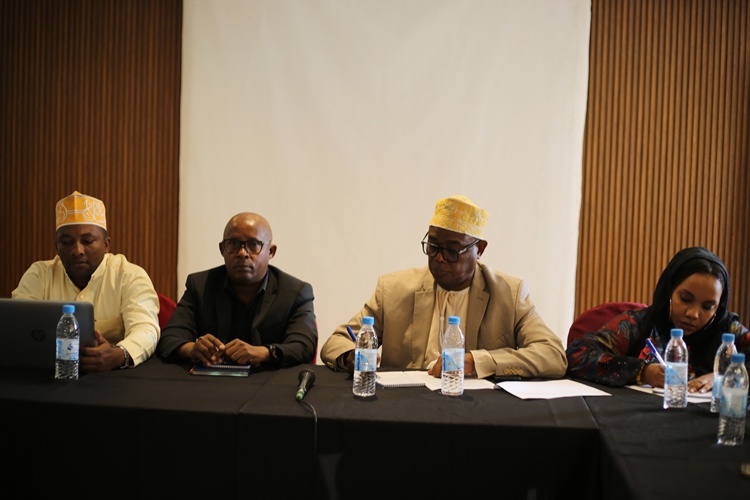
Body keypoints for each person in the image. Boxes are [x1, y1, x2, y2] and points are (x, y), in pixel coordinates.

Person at [320, 195, 568, 379]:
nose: (438, 258)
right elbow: (338, 341)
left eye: (451, 250)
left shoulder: (509, 294)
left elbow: (553, 355)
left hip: (477, 410)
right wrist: (352, 356)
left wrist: (477, 361)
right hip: (404, 406)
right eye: (433, 246)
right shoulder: (393, 289)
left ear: (479, 250)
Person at [12, 191, 160, 371]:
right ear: (56, 246)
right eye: (66, 242)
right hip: (49, 374)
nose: (77, 250)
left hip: (113, 378)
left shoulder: (129, 276)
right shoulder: (39, 274)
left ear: (106, 245)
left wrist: (118, 355)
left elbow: (146, 329)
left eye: (88, 241)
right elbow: (19, 327)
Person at [566, 246, 750, 390]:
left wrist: (721, 378)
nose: (693, 314)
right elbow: (577, 355)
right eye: (685, 299)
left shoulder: (727, 331)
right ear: (669, 291)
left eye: (707, 307)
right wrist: (642, 372)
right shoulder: (638, 325)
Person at [156, 212, 318, 368]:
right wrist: (191, 349)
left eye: (253, 244)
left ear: (271, 251)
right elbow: (169, 339)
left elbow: (304, 346)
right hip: (210, 379)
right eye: (233, 244)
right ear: (222, 249)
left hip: (268, 380)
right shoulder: (200, 285)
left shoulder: (295, 293)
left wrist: (263, 353)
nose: (242, 253)